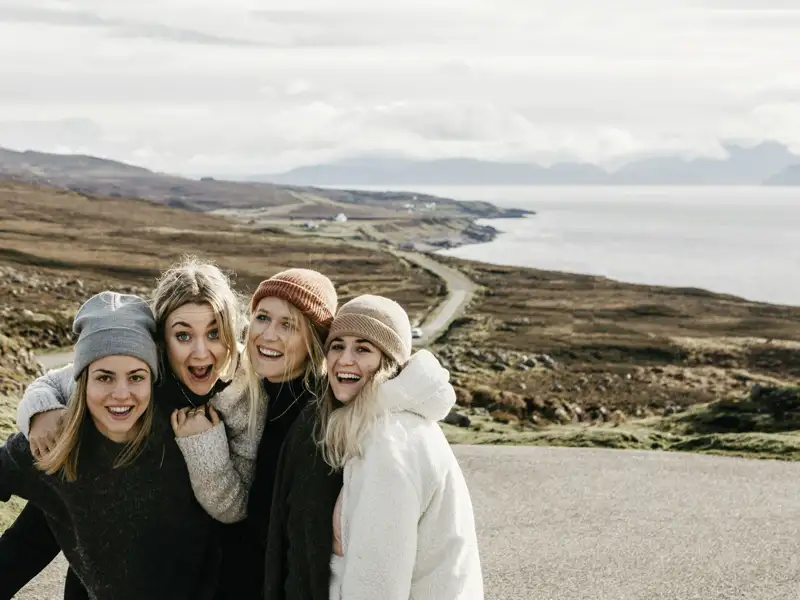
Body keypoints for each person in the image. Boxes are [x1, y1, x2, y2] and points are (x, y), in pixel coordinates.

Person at [2, 256, 244, 600]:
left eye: (215, 333)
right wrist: (41, 409)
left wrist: (204, 443)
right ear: (162, 342)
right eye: (183, 335)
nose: (201, 351)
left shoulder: (238, 400)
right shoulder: (101, 415)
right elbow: (38, 529)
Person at [264, 295, 483, 600]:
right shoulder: (395, 423)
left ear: (389, 360)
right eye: (338, 345)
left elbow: (377, 582)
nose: (345, 360)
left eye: (363, 349)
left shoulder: (388, 442)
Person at [170, 267, 337, 599]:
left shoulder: (316, 421)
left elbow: (296, 543)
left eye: (287, 324)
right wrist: (41, 405)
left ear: (314, 338)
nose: (268, 335)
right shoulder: (242, 388)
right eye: (262, 318)